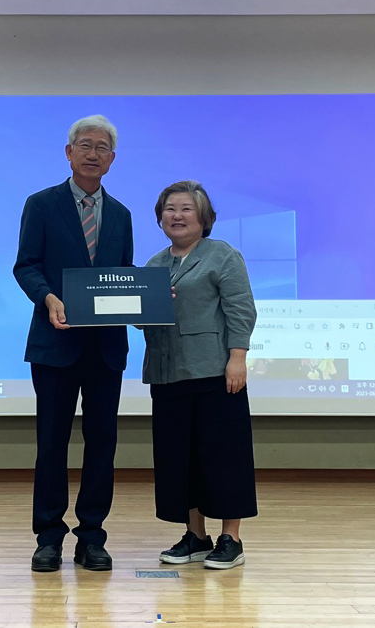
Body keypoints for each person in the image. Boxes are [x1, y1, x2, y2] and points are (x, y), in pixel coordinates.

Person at [13, 115, 134, 573]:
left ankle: (92, 537)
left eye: (102, 147)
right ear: (69, 152)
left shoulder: (121, 214)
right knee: (52, 443)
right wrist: (48, 298)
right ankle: (48, 537)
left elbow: (122, 275)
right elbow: (26, 265)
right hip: (55, 345)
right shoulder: (41, 204)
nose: (92, 153)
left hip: (106, 348)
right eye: (85, 145)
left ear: (112, 159)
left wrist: (147, 299)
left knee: (102, 444)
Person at [142, 180, 258, 570]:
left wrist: (237, 357)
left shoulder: (222, 255)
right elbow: (144, 320)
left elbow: (241, 308)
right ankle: (195, 535)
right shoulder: (154, 265)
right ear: (160, 217)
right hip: (166, 371)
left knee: (224, 455)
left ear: (204, 217)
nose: (176, 215)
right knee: (179, 458)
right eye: (169, 209)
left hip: (214, 370)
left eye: (186, 209)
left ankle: (231, 539)